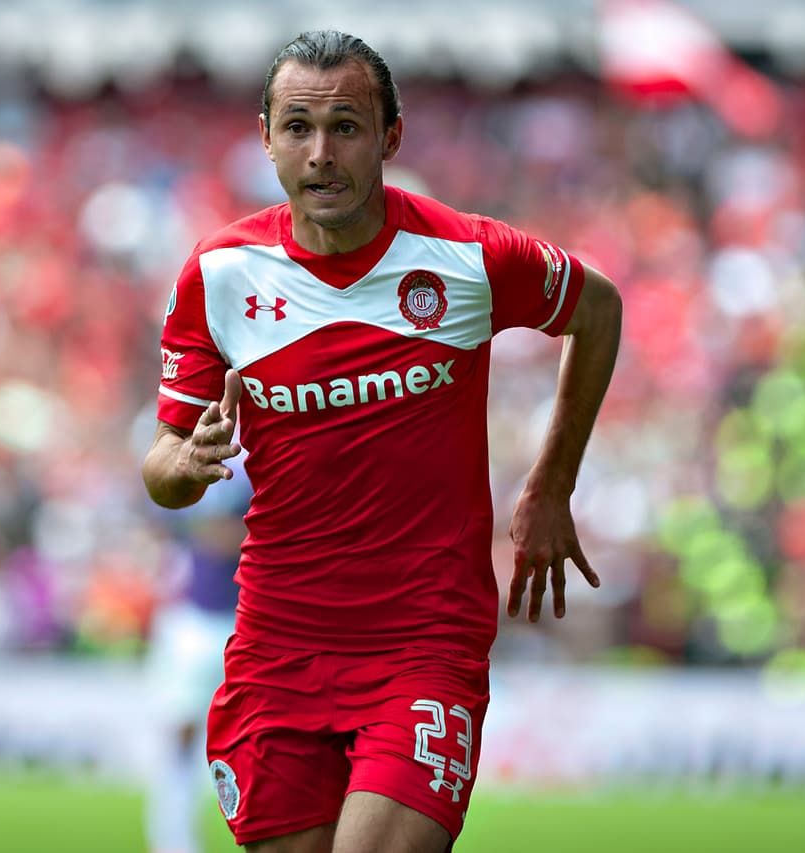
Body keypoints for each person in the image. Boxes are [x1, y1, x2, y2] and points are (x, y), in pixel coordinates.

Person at [141, 30, 622, 853]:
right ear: (267, 139)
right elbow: (163, 465)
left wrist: (553, 482)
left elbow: (598, 309)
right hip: (276, 648)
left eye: (346, 127)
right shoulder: (220, 274)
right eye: (298, 128)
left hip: (423, 642)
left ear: (391, 137)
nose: (320, 154)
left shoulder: (468, 257)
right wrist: (184, 465)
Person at [144, 465, 249, 853]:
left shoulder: (250, 474)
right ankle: (173, 838)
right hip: (194, 620)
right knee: (180, 736)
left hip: (241, 622)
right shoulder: (192, 467)